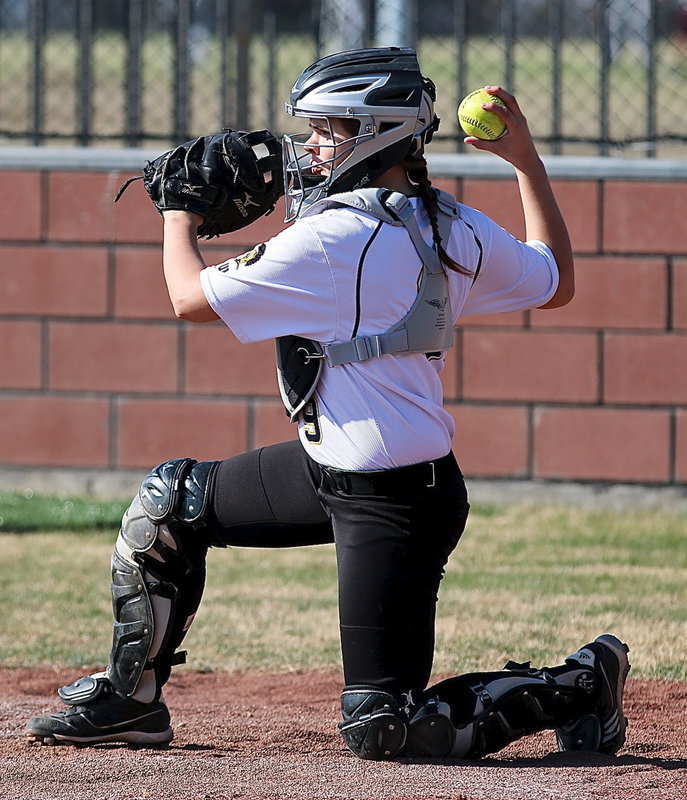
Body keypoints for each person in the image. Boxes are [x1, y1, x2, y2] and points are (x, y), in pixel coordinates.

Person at [25, 47, 630, 760]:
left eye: (329, 129)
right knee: (169, 504)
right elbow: (554, 280)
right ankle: (130, 703)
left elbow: (188, 298)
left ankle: (583, 684)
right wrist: (524, 162)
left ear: (376, 133)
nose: (311, 147)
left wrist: (179, 213)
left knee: (383, 727)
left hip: (395, 501)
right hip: (329, 472)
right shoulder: (442, 219)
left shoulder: (339, 234)